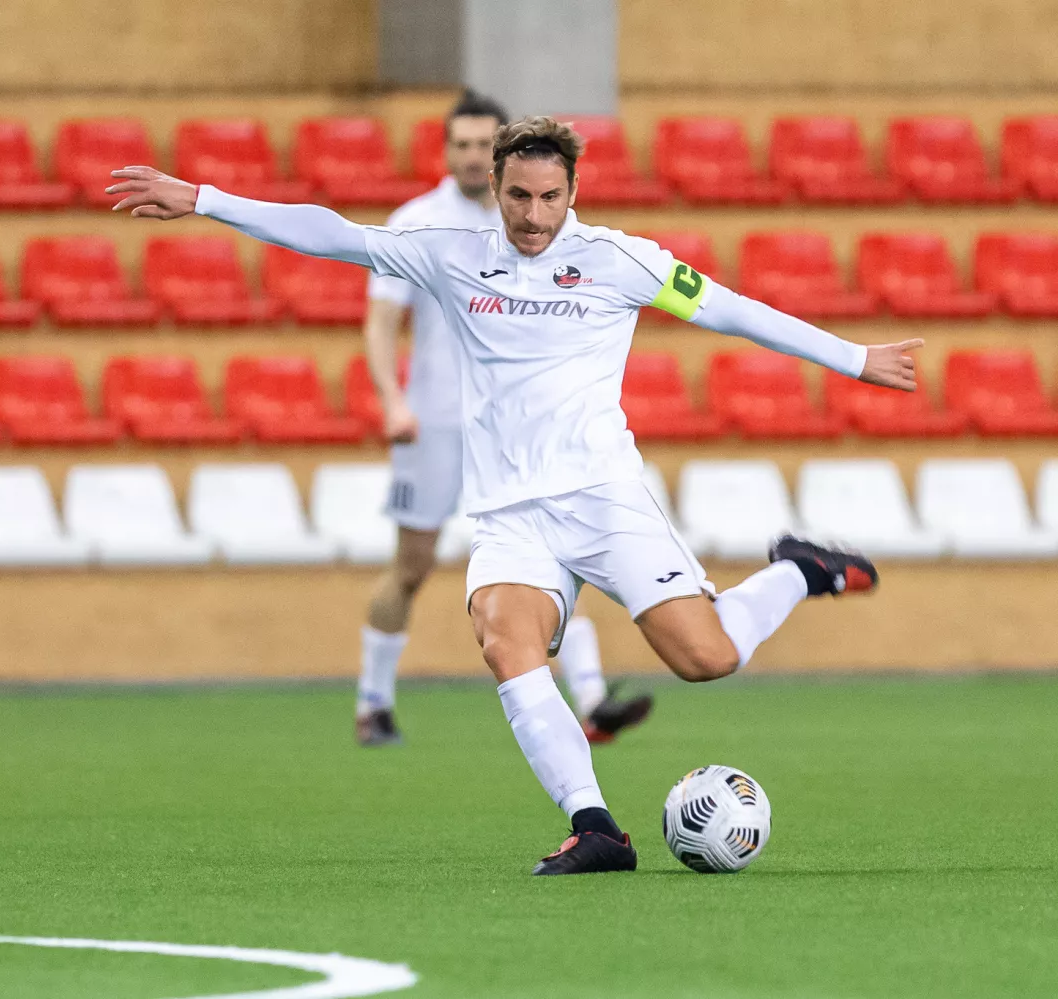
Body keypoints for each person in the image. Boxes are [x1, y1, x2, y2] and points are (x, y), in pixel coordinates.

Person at [107, 114, 917, 875]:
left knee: (706, 658)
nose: (535, 215)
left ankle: (800, 569)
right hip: (509, 513)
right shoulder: (450, 253)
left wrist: (855, 358)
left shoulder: (620, 261)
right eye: (520, 196)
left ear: (574, 192)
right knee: (505, 639)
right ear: (494, 187)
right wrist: (205, 200)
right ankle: (596, 826)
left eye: (550, 197)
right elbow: (334, 233)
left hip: (602, 498)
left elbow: (731, 310)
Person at [355, 91, 649, 748]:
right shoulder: (417, 223)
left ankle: (594, 698)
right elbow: (380, 322)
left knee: (551, 555)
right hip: (435, 421)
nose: (469, 156)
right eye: (459, 144)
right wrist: (393, 401)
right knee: (411, 567)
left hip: (516, 426)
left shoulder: (535, 222)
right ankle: (373, 700)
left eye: (480, 145)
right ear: (445, 150)